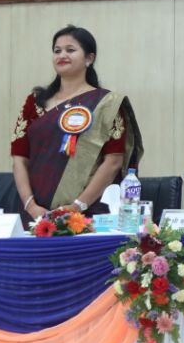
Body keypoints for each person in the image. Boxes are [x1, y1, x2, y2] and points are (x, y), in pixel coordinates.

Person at [11, 25, 143, 220]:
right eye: (57, 50)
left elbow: (113, 161)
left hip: (86, 213)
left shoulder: (106, 104)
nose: (62, 55)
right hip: (35, 212)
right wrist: (30, 205)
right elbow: (19, 158)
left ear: (89, 58)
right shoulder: (35, 102)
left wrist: (77, 206)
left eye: (70, 50)